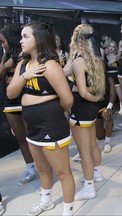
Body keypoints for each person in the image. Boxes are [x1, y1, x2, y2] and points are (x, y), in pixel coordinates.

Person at [7, 22, 75, 216]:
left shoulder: (50, 65)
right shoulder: (23, 64)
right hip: (32, 126)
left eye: (25, 36)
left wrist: (50, 111)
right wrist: (25, 76)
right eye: (21, 36)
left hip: (50, 124)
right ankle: (46, 202)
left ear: (38, 39)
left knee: (62, 172)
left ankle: (68, 211)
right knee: (42, 169)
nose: (21, 41)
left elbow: (67, 100)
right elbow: (11, 93)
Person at [68, 24, 105, 201]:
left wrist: (94, 98)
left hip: (82, 108)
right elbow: (95, 88)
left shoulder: (78, 60)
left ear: (76, 39)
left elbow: (83, 92)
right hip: (90, 110)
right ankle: (96, 174)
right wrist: (96, 99)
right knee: (92, 145)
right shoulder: (96, 58)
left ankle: (88, 187)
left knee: (84, 151)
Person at [0, 25, 39, 186]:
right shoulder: (6, 56)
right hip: (10, 102)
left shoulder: (26, 55)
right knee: (21, 138)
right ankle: (31, 169)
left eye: (3, 41)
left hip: (25, 98)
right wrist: (6, 64)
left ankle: (43, 166)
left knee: (32, 137)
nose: (2, 45)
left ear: (11, 39)